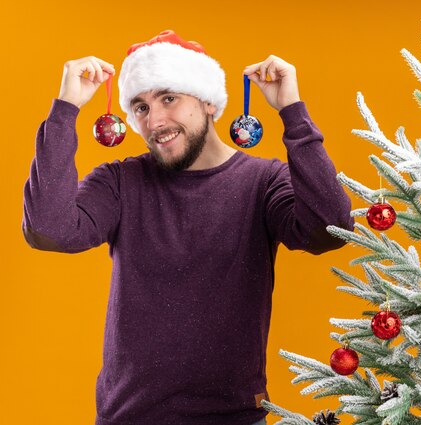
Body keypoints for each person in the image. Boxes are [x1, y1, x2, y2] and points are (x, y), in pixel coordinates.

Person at [22, 30, 353, 425]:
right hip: (128, 418)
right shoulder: (120, 181)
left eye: (168, 98)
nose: (155, 120)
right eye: (141, 107)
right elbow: (48, 228)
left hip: (235, 418)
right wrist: (65, 110)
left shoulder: (264, 182)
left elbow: (331, 228)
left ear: (209, 102)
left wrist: (292, 111)